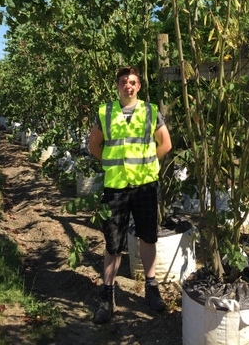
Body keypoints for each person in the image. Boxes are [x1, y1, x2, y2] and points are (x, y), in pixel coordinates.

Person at [88, 66, 172, 324]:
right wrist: (113, 163)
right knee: (113, 243)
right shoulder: (105, 112)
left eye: (133, 81)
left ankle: (151, 287)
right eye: (124, 81)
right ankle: (108, 294)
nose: (128, 85)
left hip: (145, 185)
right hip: (116, 186)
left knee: (148, 237)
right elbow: (94, 146)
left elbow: (165, 144)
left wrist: (149, 165)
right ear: (117, 85)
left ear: (139, 86)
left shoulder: (150, 111)